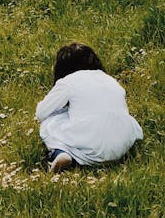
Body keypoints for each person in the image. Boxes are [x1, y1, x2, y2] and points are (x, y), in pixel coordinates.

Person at [36, 43, 143, 173]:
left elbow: (41, 113)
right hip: (122, 146)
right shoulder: (110, 79)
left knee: (49, 123)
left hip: (94, 147)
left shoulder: (68, 81)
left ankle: (58, 153)